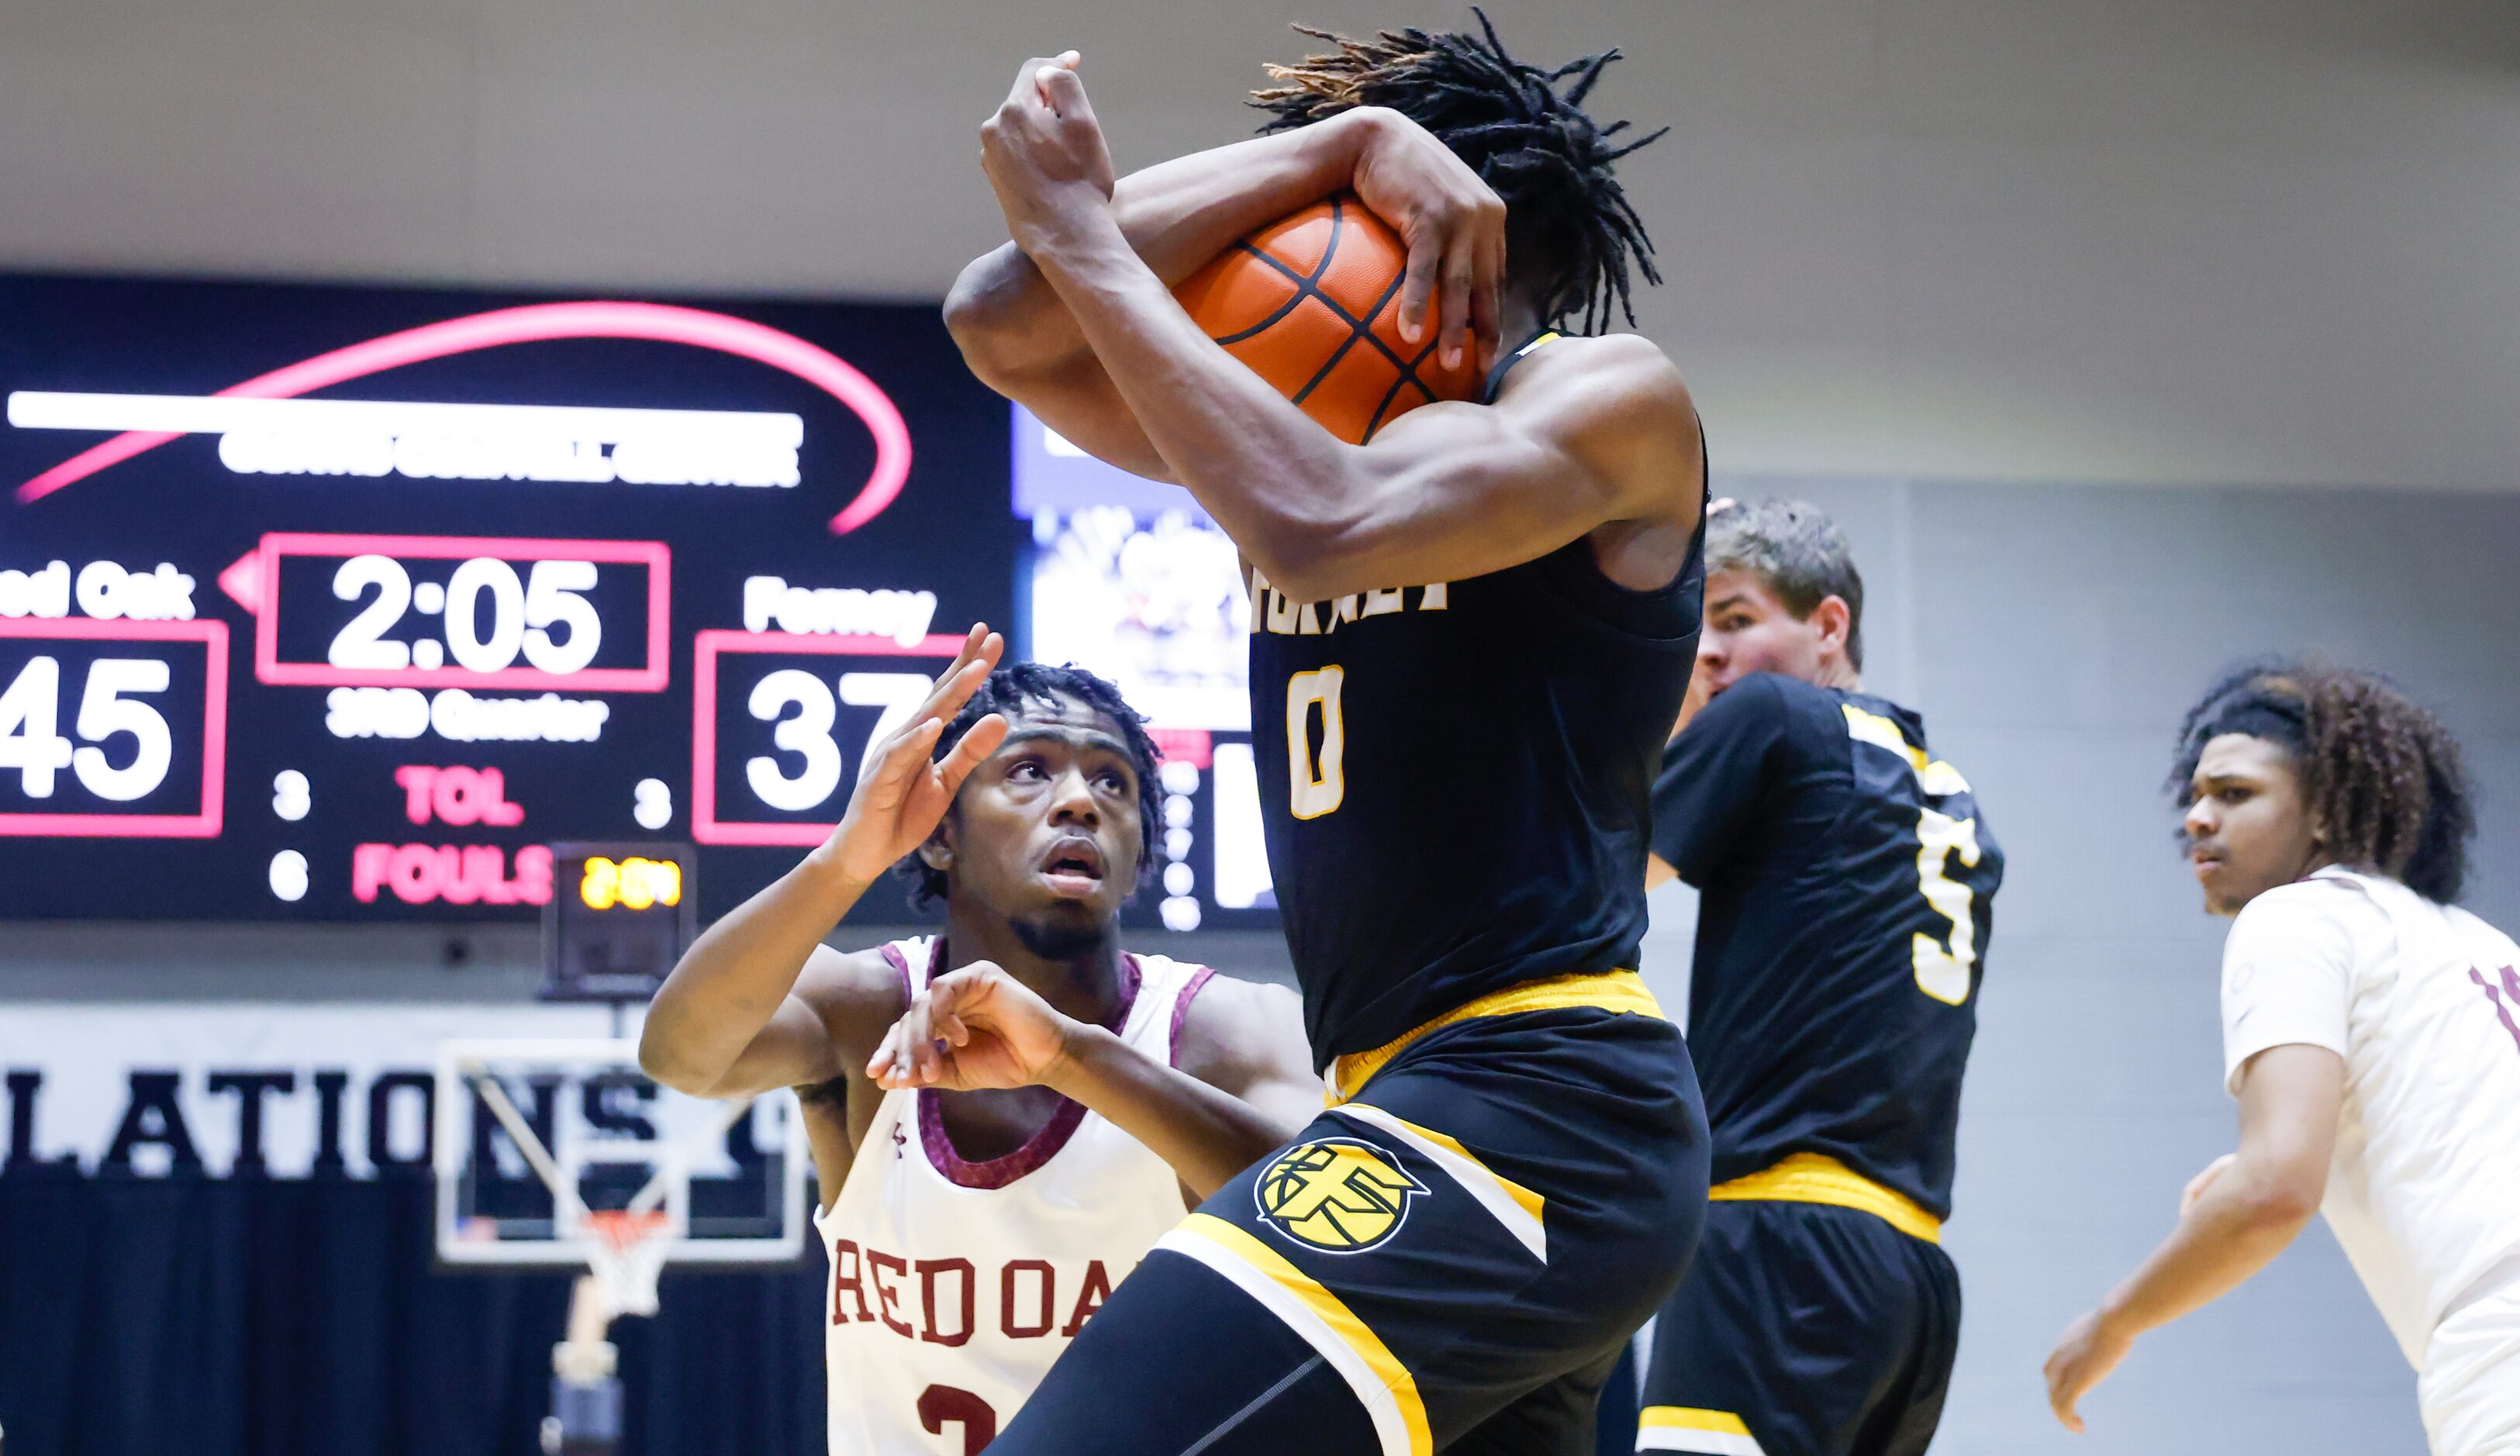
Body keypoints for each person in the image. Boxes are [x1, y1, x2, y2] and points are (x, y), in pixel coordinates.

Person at [939, 16, 1709, 1455]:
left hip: (1537, 1113)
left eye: (1309, 210)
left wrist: (1089, 231)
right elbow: (1000, 318)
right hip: (1421, 1103)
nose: (1272, 224)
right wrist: (1332, 143)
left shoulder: (1608, 400)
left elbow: (1323, 526)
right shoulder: (1300, 420)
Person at [637, 638, 1317, 1456]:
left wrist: (1074, 1057)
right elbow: (679, 1054)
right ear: (938, 834)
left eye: (1113, 781)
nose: (1079, 801)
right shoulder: (865, 1011)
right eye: (1029, 769)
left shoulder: (1232, 1032)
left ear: (1138, 857)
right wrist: (844, 861)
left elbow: (1342, 1242)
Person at [2045, 663, 2520, 1455]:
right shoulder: (2478, 946)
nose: (2198, 818)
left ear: (2328, 813)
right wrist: (2252, 1167)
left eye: (2233, 794)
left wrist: (2112, 1322)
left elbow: (2273, 1193)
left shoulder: (2294, 920)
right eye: (2194, 796)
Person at [1628, 501, 2000, 1456]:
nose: (1706, 651)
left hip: (1773, 1241)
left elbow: (1594, 882)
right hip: (1910, 1277)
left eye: (1736, 619)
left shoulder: (1773, 716)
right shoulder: (1947, 792)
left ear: (1828, 627)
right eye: (1694, 625)